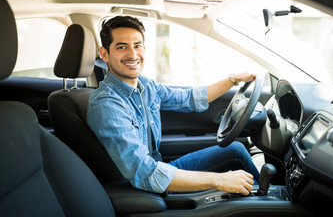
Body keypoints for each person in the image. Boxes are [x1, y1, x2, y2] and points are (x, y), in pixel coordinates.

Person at [87, 15, 260, 195]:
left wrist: (233, 79)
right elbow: (145, 172)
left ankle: (263, 198)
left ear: (144, 48)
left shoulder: (145, 86)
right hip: (146, 190)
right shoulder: (106, 104)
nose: (132, 54)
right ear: (105, 54)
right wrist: (219, 180)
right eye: (122, 47)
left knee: (236, 150)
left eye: (137, 45)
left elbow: (188, 98)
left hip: (160, 167)